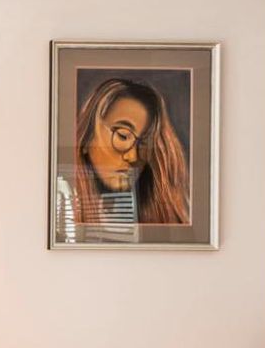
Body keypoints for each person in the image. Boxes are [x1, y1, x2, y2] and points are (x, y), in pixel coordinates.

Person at [64, 76, 190, 231]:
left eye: (144, 143)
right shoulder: (62, 205)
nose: (133, 156)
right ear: (87, 136)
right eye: (123, 136)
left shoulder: (165, 219)